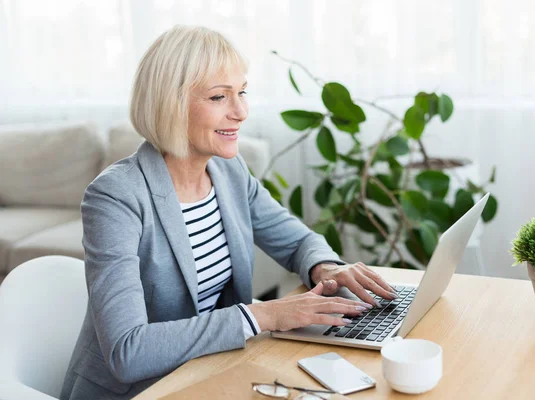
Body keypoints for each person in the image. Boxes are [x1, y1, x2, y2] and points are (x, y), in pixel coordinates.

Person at [60, 25, 398, 400]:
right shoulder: (116, 196)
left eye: (242, 92)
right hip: (139, 390)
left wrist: (326, 267)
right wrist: (265, 315)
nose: (240, 112)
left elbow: (296, 239)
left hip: (208, 370)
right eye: (219, 97)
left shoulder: (228, 172)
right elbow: (128, 351)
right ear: (169, 104)